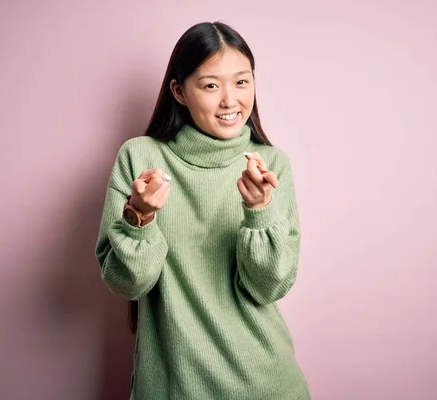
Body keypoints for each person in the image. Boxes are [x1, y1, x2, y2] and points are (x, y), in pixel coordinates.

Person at [95, 21, 310, 400]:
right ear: (179, 91)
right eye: (211, 85)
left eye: (242, 82)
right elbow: (128, 284)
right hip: (170, 387)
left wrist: (259, 210)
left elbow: (269, 287)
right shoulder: (141, 158)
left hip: (265, 384)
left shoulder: (270, 165)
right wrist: (139, 217)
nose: (230, 100)